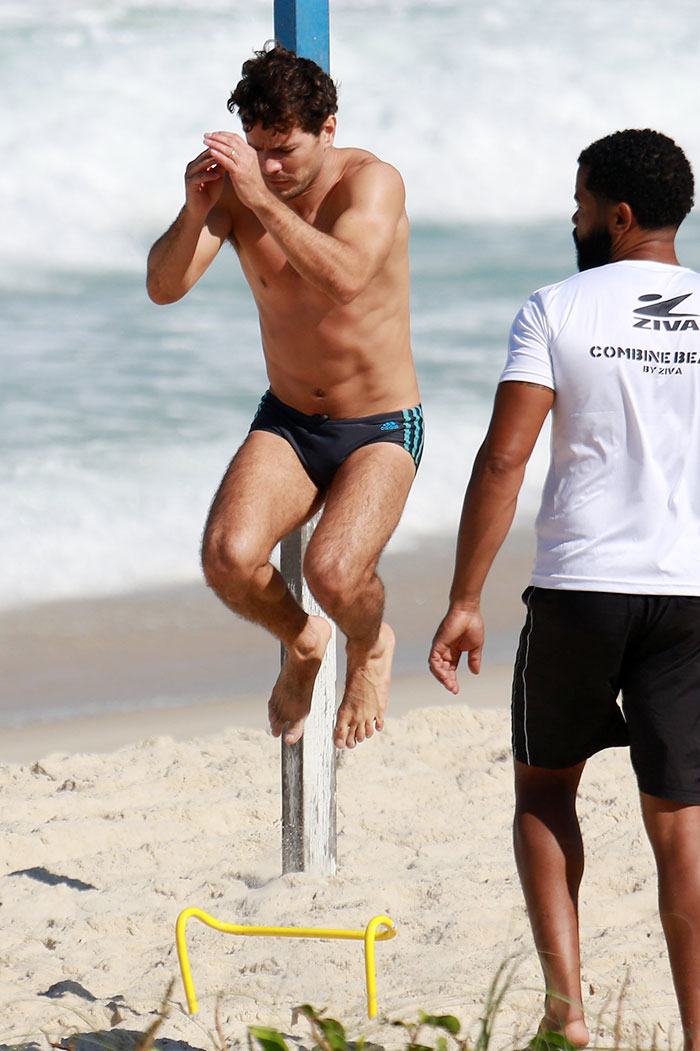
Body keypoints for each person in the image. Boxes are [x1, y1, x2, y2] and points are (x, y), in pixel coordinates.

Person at [429, 129, 700, 1049]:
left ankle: (568, 1010)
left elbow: (505, 457)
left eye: (581, 202)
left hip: (582, 586)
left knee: (546, 790)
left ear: (618, 215)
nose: (573, 217)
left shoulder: (555, 307)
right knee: (683, 822)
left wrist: (466, 597)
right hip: (692, 597)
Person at [147, 44, 422, 750]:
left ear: (327, 129)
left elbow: (347, 278)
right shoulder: (240, 195)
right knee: (226, 558)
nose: (269, 166)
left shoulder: (373, 182)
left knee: (333, 570)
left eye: (285, 150)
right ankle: (305, 641)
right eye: (258, 149)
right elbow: (164, 286)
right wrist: (196, 206)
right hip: (291, 419)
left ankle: (370, 641)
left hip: (381, 424)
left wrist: (261, 199)